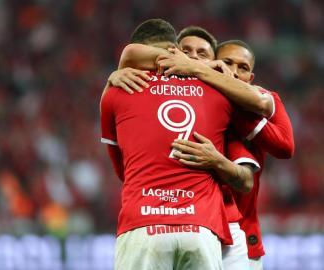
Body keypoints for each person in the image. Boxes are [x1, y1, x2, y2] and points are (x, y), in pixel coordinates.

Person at [109, 29, 294, 270]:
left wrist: (216, 160)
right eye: (228, 62)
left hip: (236, 231)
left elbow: (281, 149)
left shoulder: (251, 103)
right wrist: (114, 76)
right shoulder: (188, 100)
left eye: (242, 67)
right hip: (188, 223)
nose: (235, 72)